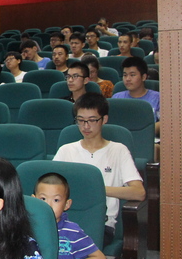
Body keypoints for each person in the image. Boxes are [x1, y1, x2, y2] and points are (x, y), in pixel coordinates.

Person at [53, 93, 145, 245]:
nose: (86, 126)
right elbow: (51, 185)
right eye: (80, 120)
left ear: (104, 119)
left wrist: (97, 190)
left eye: (92, 120)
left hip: (101, 225)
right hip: (64, 221)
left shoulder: (118, 150)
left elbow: (139, 192)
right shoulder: (66, 150)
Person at [111, 56, 160, 125]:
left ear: (144, 77)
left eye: (132, 75)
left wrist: (147, 129)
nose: (128, 79)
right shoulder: (117, 98)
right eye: (125, 75)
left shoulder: (157, 98)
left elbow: (164, 123)